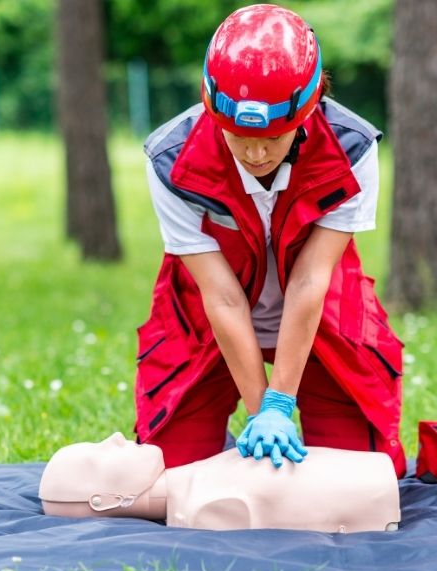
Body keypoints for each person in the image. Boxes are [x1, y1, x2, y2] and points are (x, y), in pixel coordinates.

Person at [136, 3, 406, 477]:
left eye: (274, 138)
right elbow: (220, 297)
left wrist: (279, 404)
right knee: (169, 477)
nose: (256, 152)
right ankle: (214, 438)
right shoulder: (169, 160)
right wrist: (261, 412)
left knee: (363, 479)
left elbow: (310, 281)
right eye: (238, 137)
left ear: (307, 111)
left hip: (324, 321)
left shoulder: (353, 147)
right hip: (205, 325)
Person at [38, 432, 401, 533]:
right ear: (102, 500)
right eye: (97, 455)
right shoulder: (211, 504)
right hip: (376, 494)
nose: (115, 436)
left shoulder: (200, 481)